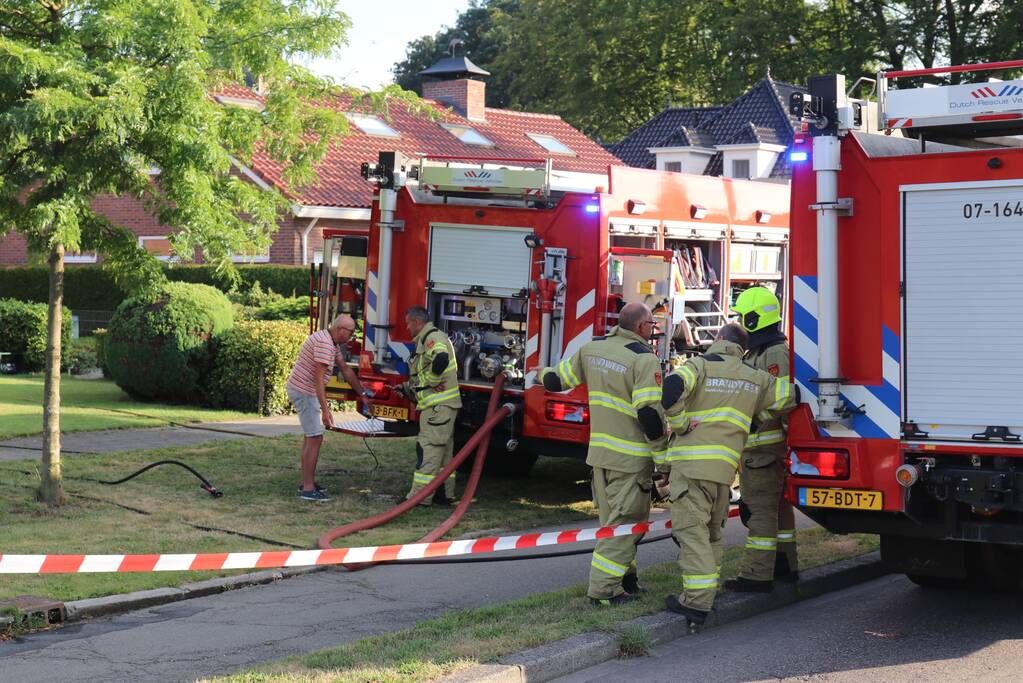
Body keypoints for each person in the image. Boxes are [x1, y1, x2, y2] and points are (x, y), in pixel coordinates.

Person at [657, 323, 795, 626]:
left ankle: (696, 602)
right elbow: (791, 396)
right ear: (742, 349)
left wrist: (680, 425)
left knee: (691, 534)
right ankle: (707, 591)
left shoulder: (699, 365)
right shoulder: (754, 376)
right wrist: (756, 420)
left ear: (719, 339)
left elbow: (670, 391)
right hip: (724, 473)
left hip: (691, 469)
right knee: (712, 535)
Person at [538, 302, 666, 607]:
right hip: (631, 461)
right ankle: (603, 590)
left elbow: (557, 381)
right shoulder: (644, 359)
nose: (654, 329)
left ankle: (627, 580)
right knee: (626, 526)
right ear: (641, 327)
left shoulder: (592, 349)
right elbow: (649, 415)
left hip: (599, 457)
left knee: (613, 524)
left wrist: (537, 372)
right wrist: (663, 460)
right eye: (652, 324)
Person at [726, 287, 799, 592]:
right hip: (762, 448)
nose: (741, 321)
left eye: (744, 316)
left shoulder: (774, 353)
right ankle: (785, 566)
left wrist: (754, 421)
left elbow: (782, 399)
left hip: (763, 449)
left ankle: (756, 576)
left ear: (755, 317)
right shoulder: (761, 350)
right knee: (777, 510)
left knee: (760, 512)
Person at [286, 314, 372, 501]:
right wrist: (326, 410)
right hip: (304, 392)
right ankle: (307, 489)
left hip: (305, 391)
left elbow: (345, 369)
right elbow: (318, 380)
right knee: (315, 436)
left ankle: (306, 482)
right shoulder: (325, 344)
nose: (352, 337)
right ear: (341, 329)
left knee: (311, 437)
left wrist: (362, 394)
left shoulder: (331, 342)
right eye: (350, 332)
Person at [398, 306, 461, 506]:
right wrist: (405, 388)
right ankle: (443, 495)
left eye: (408, 323)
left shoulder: (433, 339)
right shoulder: (427, 339)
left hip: (437, 408)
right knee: (443, 454)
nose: (407, 327)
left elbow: (440, 358)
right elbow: (423, 374)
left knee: (428, 450)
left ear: (418, 322)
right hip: (441, 407)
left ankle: (419, 498)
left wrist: (434, 380)